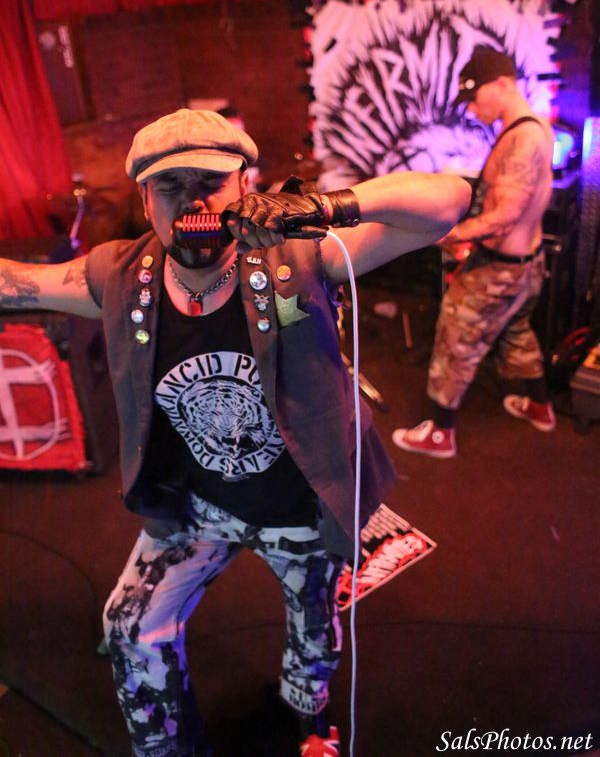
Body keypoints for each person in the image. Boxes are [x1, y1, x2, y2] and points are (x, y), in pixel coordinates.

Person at [0, 108, 470, 757]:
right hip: (196, 507)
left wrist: (327, 207)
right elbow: (15, 283)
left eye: (210, 183)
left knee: (313, 628)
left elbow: (449, 202)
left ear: (245, 185)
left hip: (299, 508)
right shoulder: (122, 274)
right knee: (129, 623)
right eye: (171, 186)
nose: (193, 200)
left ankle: (310, 719)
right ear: (145, 199)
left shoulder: (299, 256)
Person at [393, 46, 556, 460]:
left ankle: (440, 434)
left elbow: (505, 217)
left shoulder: (521, 138)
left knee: (454, 339)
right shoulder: (537, 127)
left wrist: (445, 234)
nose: (470, 107)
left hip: (499, 270)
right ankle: (540, 408)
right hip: (527, 265)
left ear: (501, 84)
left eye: (473, 95)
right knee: (517, 333)